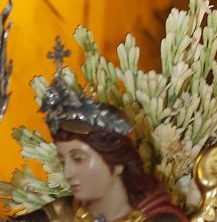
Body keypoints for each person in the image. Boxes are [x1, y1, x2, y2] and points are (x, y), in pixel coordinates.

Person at [19, 39, 185, 222]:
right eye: (63, 160)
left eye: (78, 158)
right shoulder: (61, 214)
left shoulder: (160, 220)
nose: (68, 173)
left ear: (118, 160)